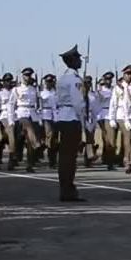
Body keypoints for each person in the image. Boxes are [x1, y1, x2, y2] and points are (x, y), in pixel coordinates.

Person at [53, 45, 87, 202]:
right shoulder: (74, 80)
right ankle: (68, 191)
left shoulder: (62, 79)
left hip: (62, 118)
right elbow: (78, 103)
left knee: (64, 157)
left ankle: (65, 189)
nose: (80, 61)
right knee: (70, 158)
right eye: (78, 58)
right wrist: (83, 120)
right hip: (72, 119)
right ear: (72, 61)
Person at [8, 68, 45, 173]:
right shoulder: (16, 89)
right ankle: (13, 159)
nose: (28, 77)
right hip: (21, 114)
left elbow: (39, 105)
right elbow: (11, 105)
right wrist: (11, 119)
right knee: (18, 139)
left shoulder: (34, 90)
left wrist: (40, 118)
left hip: (32, 114)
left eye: (30, 75)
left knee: (29, 141)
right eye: (26, 75)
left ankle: (30, 164)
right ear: (22, 76)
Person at [96, 72, 118, 170]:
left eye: (110, 79)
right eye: (107, 79)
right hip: (103, 114)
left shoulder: (114, 90)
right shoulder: (100, 91)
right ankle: (109, 161)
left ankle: (109, 160)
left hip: (112, 114)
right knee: (108, 139)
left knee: (110, 139)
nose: (109, 81)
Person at [39, 74, 59, 168]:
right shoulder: (41, 93)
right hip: (45, 115)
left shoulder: (56, 93)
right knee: (50, 136)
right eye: (47, 82)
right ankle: (51, 159)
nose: (49, 83)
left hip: (55, 116)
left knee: (55, 138)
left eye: (51, 81)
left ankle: (53, 159)